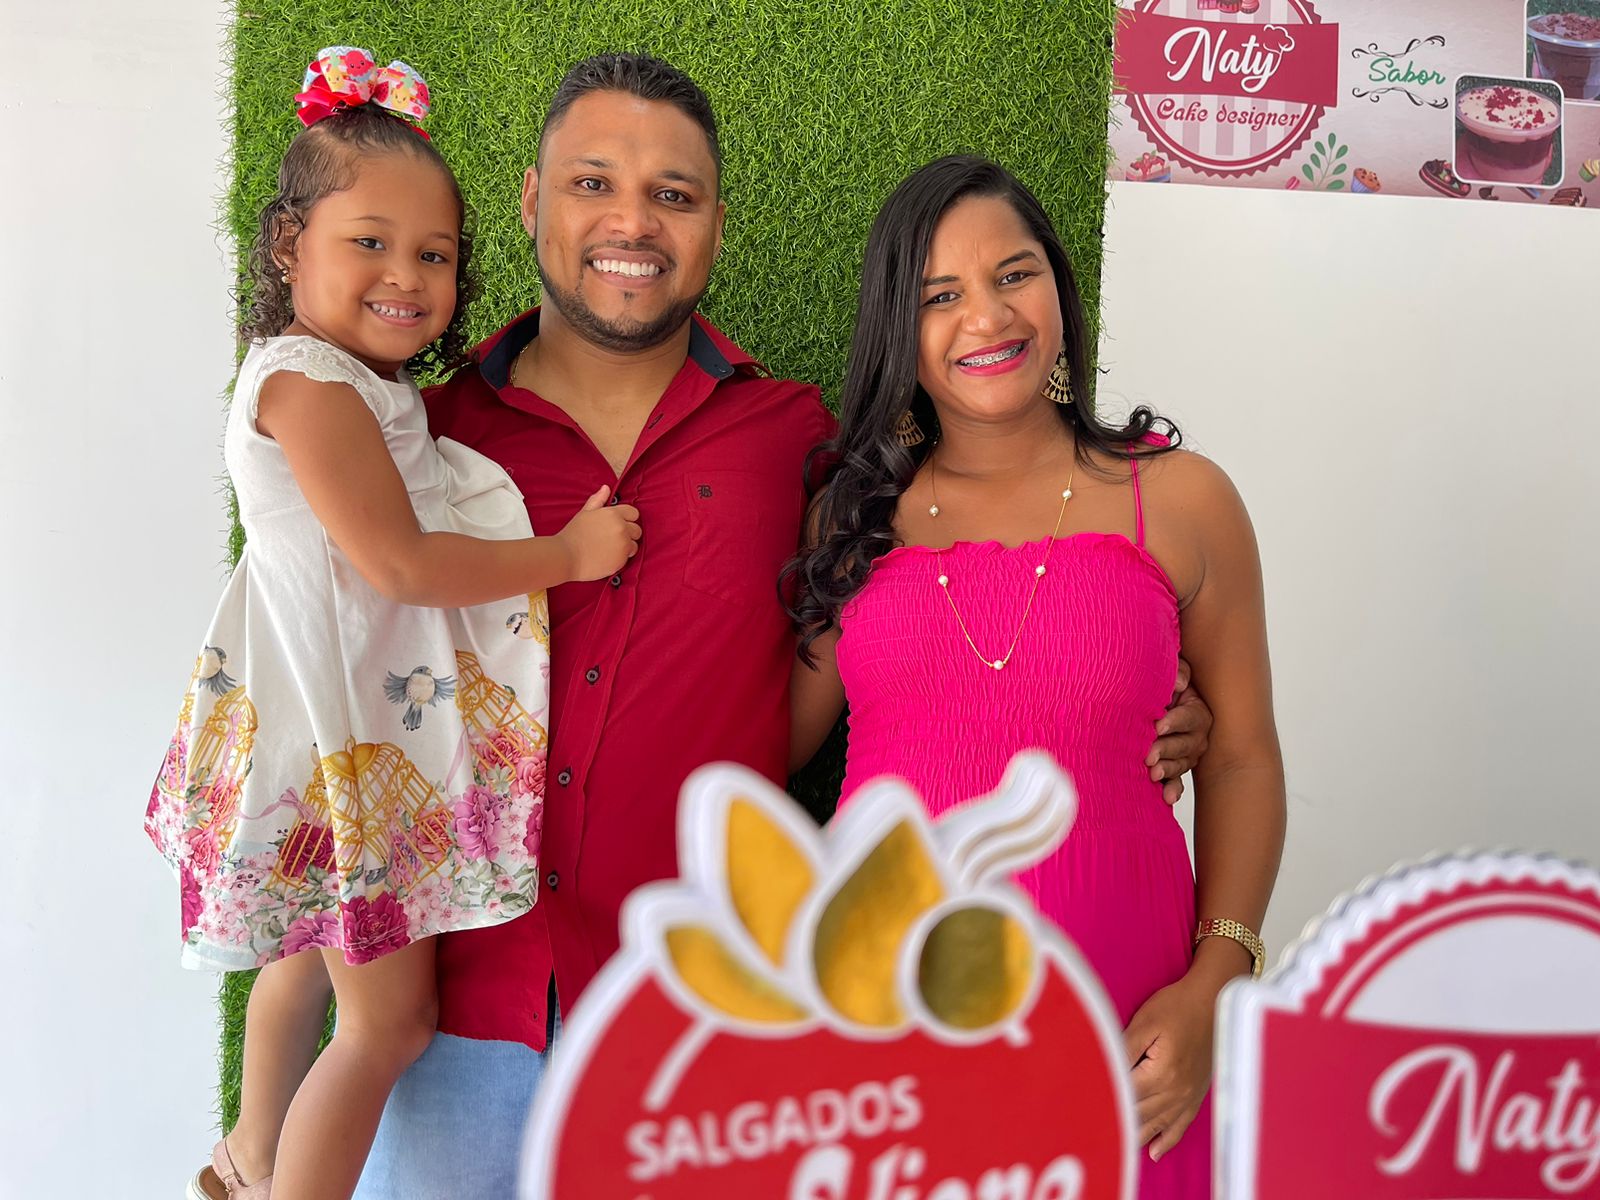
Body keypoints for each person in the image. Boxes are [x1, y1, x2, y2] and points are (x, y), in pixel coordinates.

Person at [353, 56, 1214, 1197]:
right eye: (592, 183)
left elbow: (884, 670)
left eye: (673, 193)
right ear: (527, 201)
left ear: (715, 222)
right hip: (449, 1017)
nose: (631, 223)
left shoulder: (804, 450)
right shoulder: (413, 436)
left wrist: (1137, 698)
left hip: (712, 1028)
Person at [145, 48, 639, 1200]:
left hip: (331, 723)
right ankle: (276, 1173)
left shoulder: (353, 383)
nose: (405, 276)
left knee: (308, 967)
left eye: (433, 254)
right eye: (368, 242)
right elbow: (401, 562)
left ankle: (249, 1153)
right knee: (390, 1025)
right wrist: (568, 555)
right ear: (289, 245)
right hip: (342, 743)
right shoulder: (306, 385)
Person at [786, 156, 1286, 1199]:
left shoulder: (1183, 499)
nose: (985, 317)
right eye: (938, 295)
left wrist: (1214, 986)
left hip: (1130, 1028)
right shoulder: (850, 518)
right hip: (886, 1023)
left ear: (1057, 287)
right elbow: (770, 744)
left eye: (1011, 274)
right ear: (898, 330)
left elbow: (1238, 753)